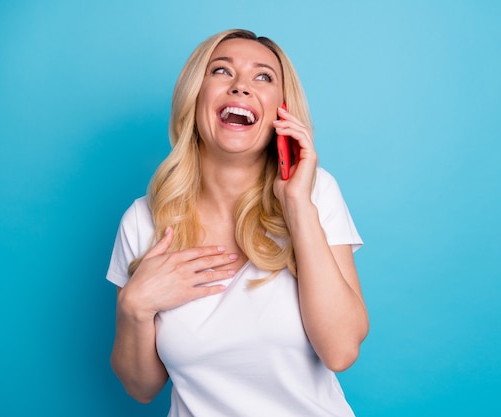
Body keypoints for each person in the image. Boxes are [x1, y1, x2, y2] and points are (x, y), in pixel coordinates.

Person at [106, 28, 369, 416]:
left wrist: (296, 205)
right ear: (195, 97)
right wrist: (134, 308)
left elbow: (341, 349)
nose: (241, 87)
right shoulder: (144, 220)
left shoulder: (315, 193)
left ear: (282, 111)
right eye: (221, 71)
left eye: (263, 77)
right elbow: (141, 388)